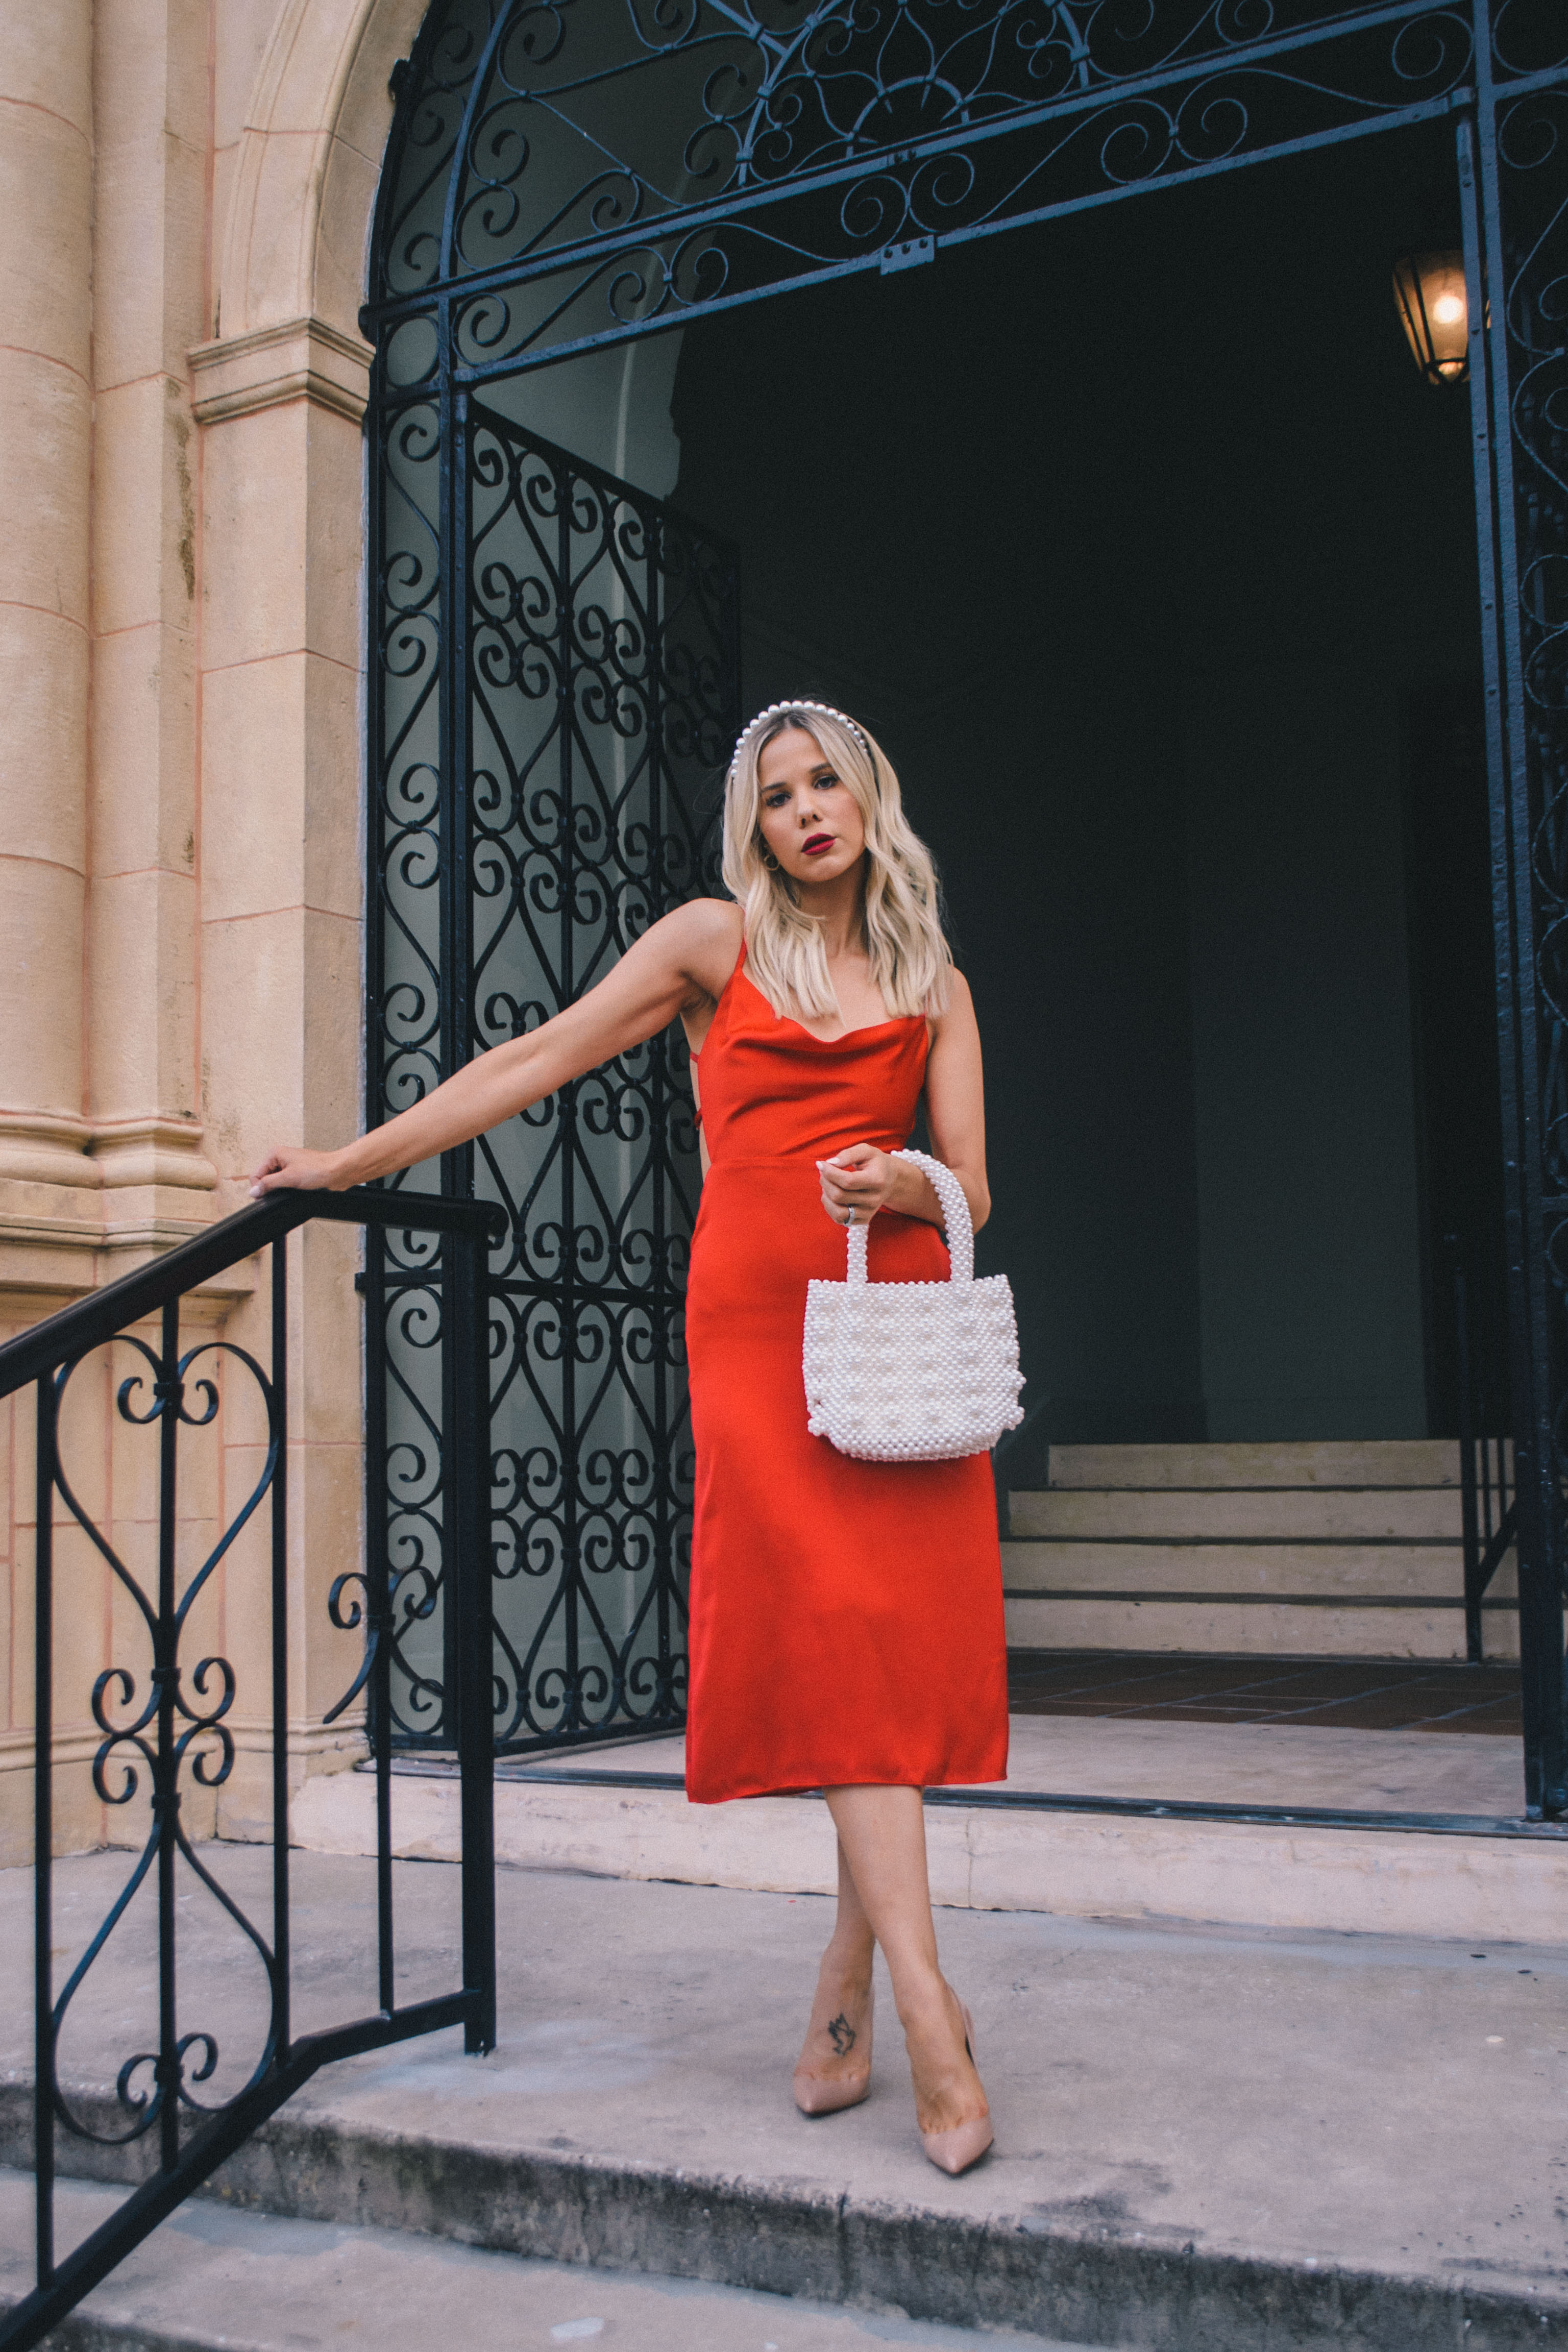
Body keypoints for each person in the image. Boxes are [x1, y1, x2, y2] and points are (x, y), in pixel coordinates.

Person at [252, 699, 1009, 2175]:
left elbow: (977, 1178)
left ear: (869, 800)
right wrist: (347, 1162)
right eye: (779, 794)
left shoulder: (938, 981)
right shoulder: (708, 945)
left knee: (878, 1652)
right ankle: (934, 2010)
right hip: (749, 1334)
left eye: (826, 785)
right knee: (830, 1636)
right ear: (758, 826)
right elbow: (532, 1059)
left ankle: (846, 1988)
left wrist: (901, 1179)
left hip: (889, 1324)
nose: (806, 811)